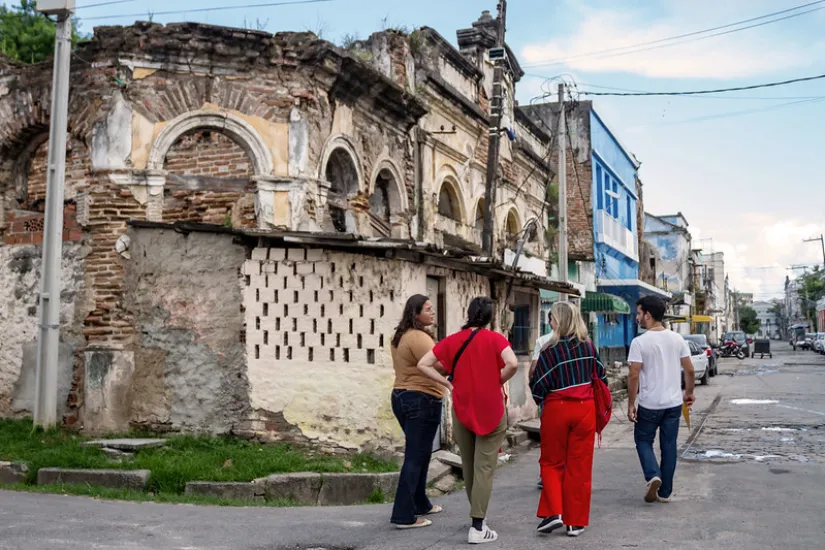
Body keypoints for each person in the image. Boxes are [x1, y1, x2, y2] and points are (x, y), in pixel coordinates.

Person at [417, 296, 519, 545]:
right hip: (491, 409)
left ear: (469, 313)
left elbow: (424, 364)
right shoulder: (496, 339)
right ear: (490, 317)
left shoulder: (453, 340)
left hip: (462, 409)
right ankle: (477, 525)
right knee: (485, 467)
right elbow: (513, 363)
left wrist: (447, 382)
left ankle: (478, 518)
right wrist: (497, 379)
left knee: (470, 465)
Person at [530, 302, 607, 538]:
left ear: (559, 320)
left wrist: (541, 398)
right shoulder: (589, 347)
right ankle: (575, 523)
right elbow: (601, 375)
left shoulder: (549, 350)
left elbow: (537, 386)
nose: (549, 322)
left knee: (552, 463)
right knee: (580, 466)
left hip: (557, 409)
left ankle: (554, 512)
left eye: (551, 318)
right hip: (585, 410)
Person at [627, 296, 695, 504]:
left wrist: (631, 403)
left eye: (639, 313)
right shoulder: (677, 339)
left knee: (643, 440)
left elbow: (633, 375)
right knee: (669, 446)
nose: (637, 317)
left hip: (649, 404)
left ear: (648, 315)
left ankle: (652, 474)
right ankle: (665, 492)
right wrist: (689, 393)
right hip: (673, 404)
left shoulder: (639, 342)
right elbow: (690, 370)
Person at [389, 295, 445, 529]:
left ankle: (420, 502)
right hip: (420, 398)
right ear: (416, 313)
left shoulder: (400, 336)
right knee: (415, 455)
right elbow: (439, 364)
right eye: (428, 309)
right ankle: (403, 514)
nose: (432, 313)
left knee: (421, 453)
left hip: (403, 396)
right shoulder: (419, 337)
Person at [529, 310, 554, 490]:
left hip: (549, 396)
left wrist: (536, 394)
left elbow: (533, 371)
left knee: (549, 437)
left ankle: (546, 474)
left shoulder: (543, 341)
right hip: (577, 398)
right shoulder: (582, 342)